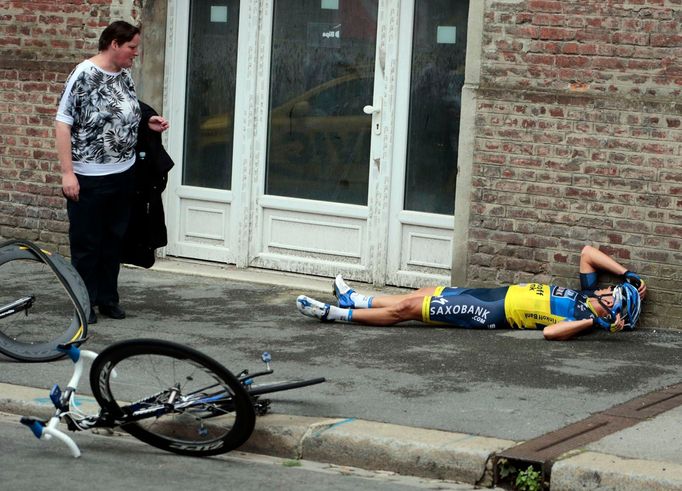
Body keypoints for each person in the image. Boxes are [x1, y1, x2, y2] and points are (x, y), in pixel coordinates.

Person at [56, 21, 169, 324]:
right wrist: (68, 173)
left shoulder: (125, 76)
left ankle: (108, 298)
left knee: (113, 239)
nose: (136, 53)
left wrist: (147, 123)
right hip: (88, 176)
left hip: (122, 174)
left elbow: (125, 111)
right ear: (115, 44)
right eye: (132, 47)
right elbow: (63, 123)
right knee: (87, 243)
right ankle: (85, 301)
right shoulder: (83, 75)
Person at [296, 245, 647, 341]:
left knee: (408, 309)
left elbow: (550, 333)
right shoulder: (586, 296)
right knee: (426, 292)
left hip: (492, 312)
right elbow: (588, 252)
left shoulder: (581, 318)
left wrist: (597, 325)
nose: (606, 288)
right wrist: (629, 275)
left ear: (608, 309)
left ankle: (336, 314)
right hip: (494, 293)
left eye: (612, 292)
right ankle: (356, 300)